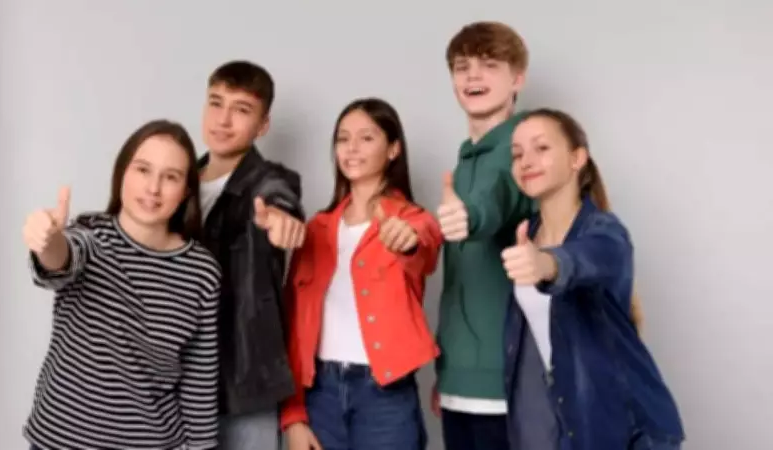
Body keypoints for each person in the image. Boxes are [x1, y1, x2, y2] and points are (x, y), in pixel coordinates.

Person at [22, 120, 222, 450]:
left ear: (186, 190)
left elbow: (198, 381)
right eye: (143, 170)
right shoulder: (90, 236)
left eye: (170, 177)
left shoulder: (202, 272)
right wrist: (47, 242)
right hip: (59, 441)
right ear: (123, 173)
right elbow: (61, 259)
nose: (153, 188)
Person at [501, 108, 683, 450]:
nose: (526, 161)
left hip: (628, 430)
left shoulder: (605, 231)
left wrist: (547, 264)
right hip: (568, 424)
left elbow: (582, 259)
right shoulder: (528, 235)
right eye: (517, 154)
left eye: (542, 148)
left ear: (577, 158)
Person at [281, 98, 443, 450]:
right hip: (319, 395)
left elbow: (425, 246)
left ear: (393, 149)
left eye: (366, 138)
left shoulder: (412, 220)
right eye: (343, 138)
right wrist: (293, 415)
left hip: (384, 397)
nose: (351, 148)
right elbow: (294, 326)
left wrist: (407, 240)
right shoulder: (315, 230)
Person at [433, 21, 533, 450]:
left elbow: (497, 198)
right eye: (462, 67)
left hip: (510, 384)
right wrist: (448, 374)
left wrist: (470, 218)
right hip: (459, 383)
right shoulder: (465, 161)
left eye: (489, 64)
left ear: (517, 79)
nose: (473, 75)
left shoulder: (525, 150)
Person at [196, 60, 307, 450]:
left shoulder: (271, 181)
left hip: (246, 387)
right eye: (216, 103)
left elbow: (281, 199)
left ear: (263, 125)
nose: (223, 119)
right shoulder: (175, 183)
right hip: (180, 384)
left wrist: (281, 219)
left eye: (241, 109)